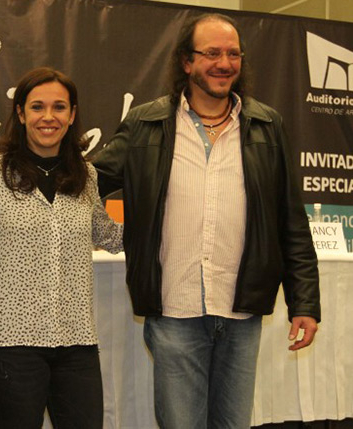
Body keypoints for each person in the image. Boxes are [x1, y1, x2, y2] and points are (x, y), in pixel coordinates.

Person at [92, 13, 320, 428]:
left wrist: (305, 303)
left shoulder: (268, 125)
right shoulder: (147, 123)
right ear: (185, 62)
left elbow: (290, 219)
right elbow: (87, 177)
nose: (224, 63)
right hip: (173, 310)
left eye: (233, 53)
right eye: (211, 53)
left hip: (241, 311)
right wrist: (12, 168)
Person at [0, 67, 123, 429]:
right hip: (10, 344)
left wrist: (166, 220)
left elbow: (109, 235)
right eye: (37, 107)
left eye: (59, 107)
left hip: (77, 341)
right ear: (20, 114)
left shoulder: (87, 175)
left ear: (72, 115)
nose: (48, 117)